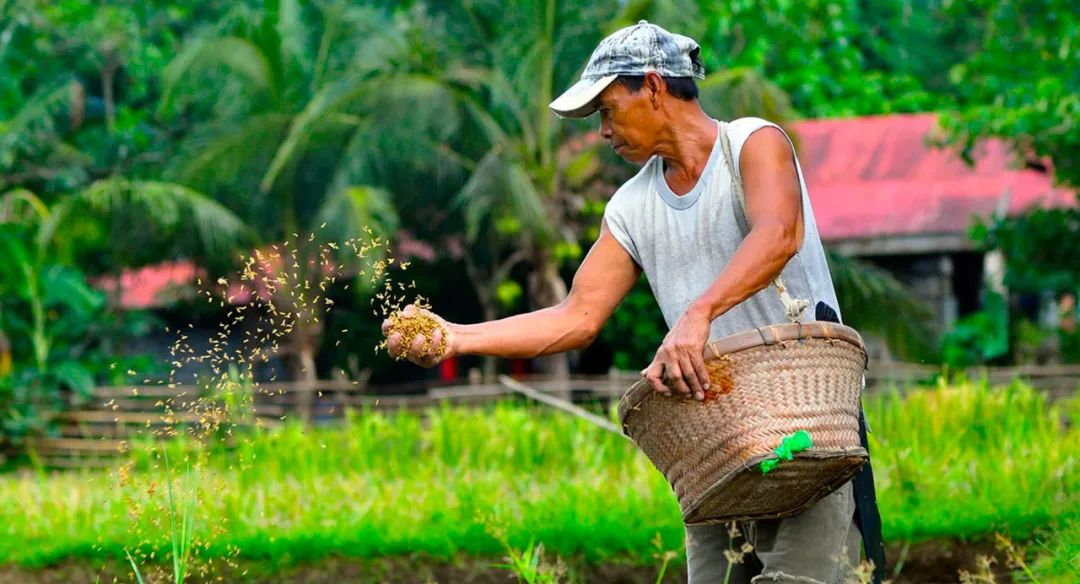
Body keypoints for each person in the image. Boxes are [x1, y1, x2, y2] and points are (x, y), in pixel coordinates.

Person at [383, 20, 884, 584]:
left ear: (652, 86)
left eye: (606, 109)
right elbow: (578, 315)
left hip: (803, 427)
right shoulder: (631, 206)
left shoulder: (752, 144)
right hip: (714, 441)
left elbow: (778, 234)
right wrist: (456, 336)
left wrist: (699, 314)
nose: (601, 131)